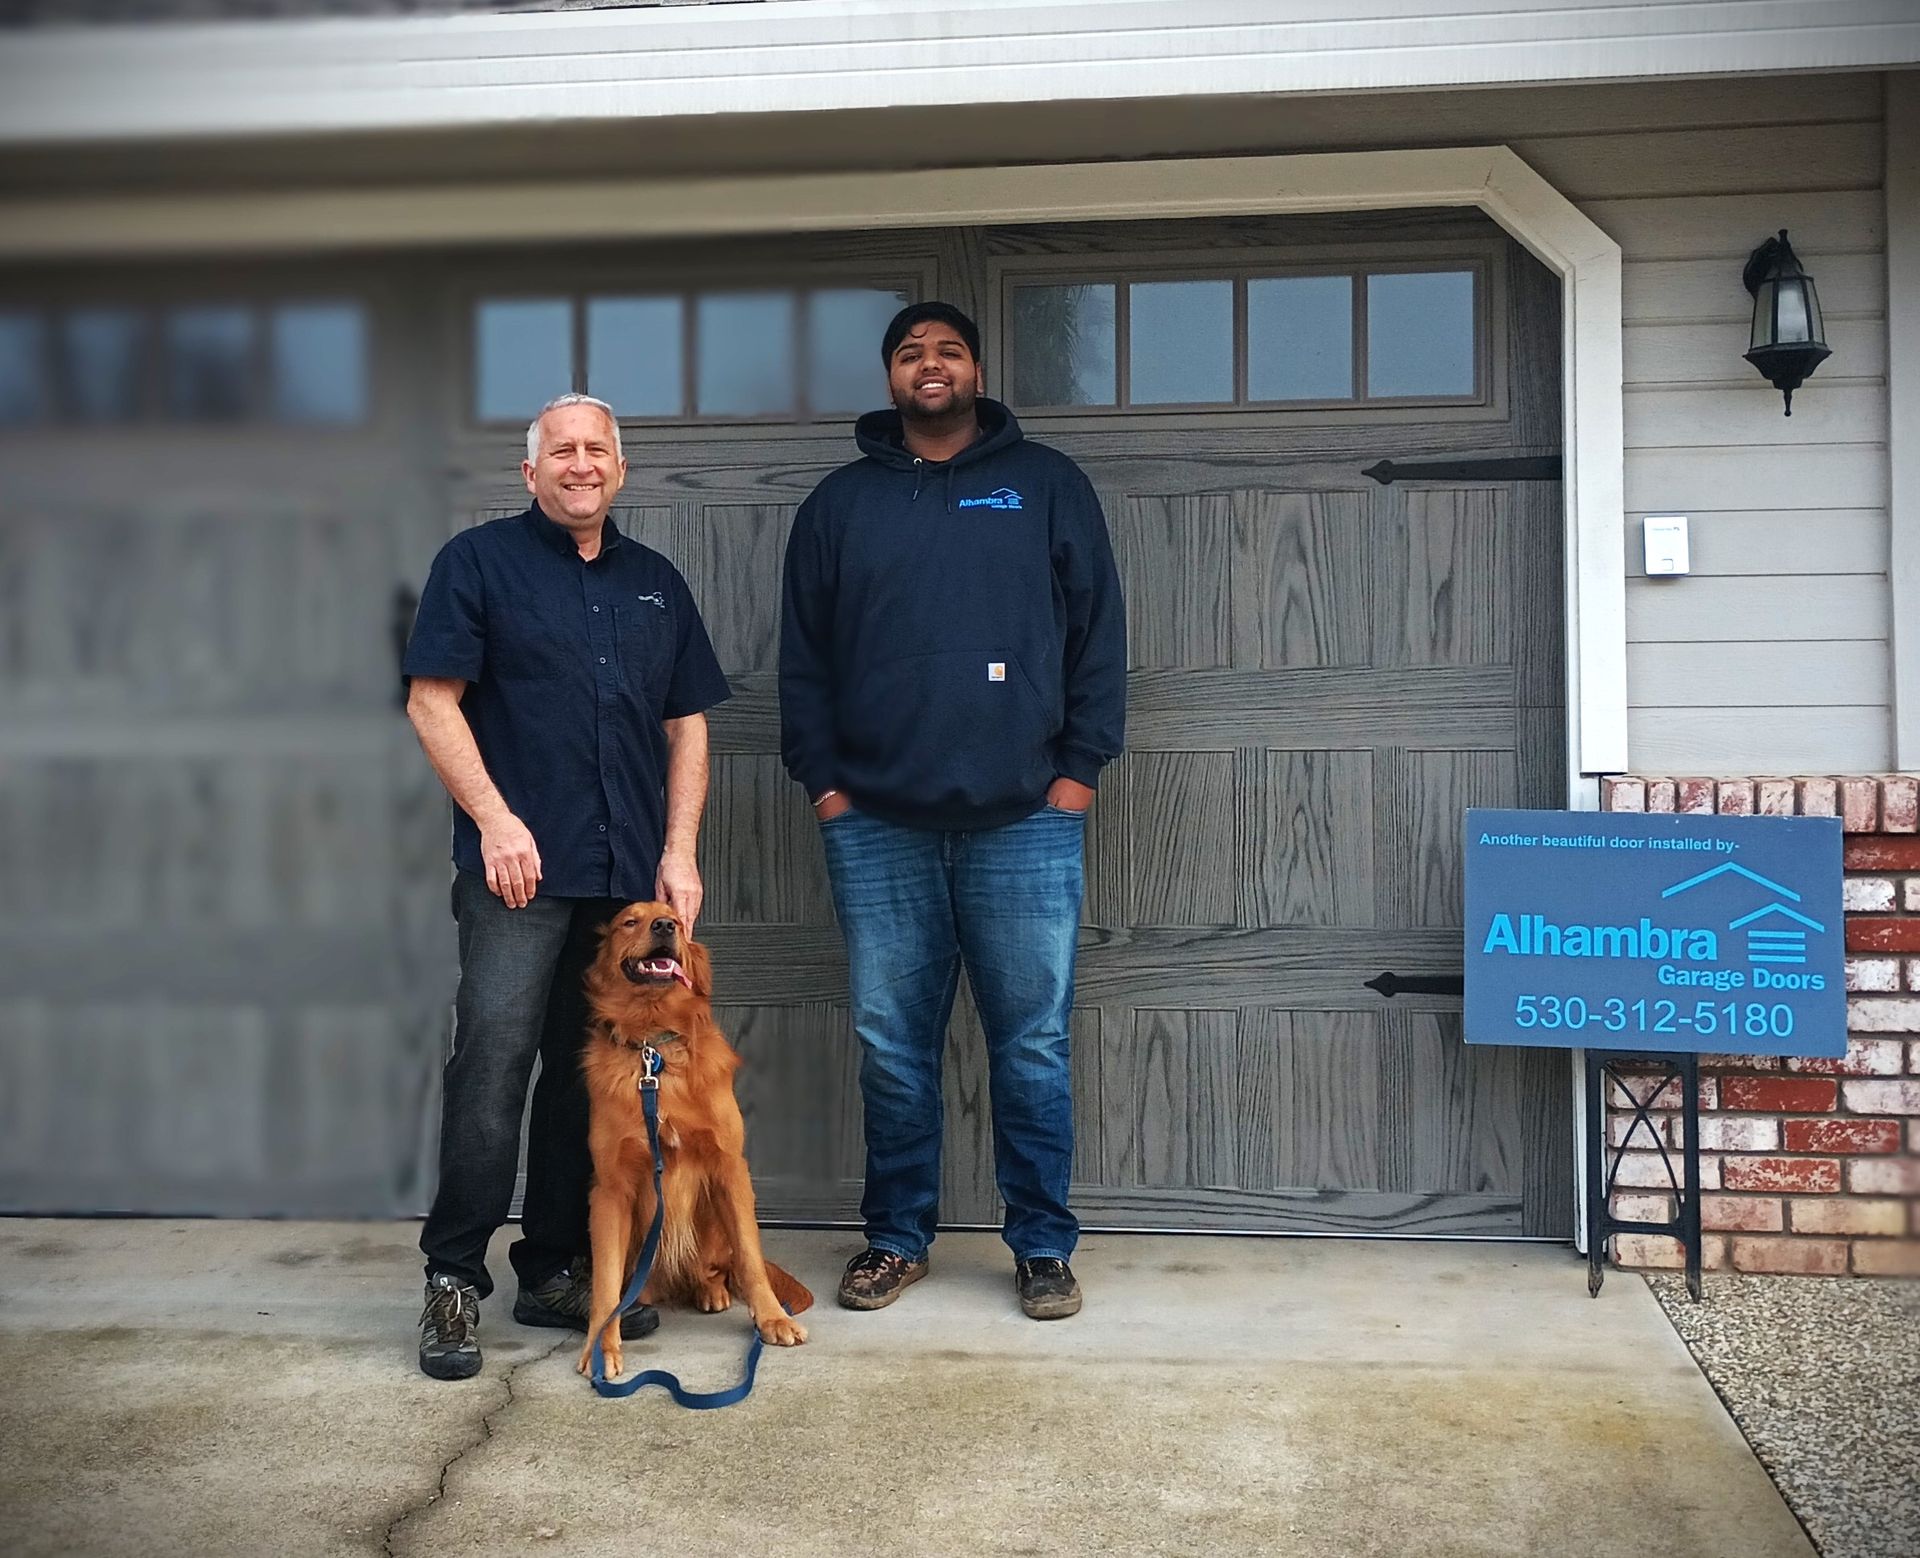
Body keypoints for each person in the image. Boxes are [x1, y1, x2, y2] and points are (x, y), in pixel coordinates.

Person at [779, 301, 1125, 1320]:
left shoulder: (1046, 485)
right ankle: (896, 1237)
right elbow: (804, 659)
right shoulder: (839, 506)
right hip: (877, 822)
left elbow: (1098, 633)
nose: (930, 365)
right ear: (889, 377)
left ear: (976, 367)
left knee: (1031, 1044)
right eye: (909, 353)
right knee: (892, 1044)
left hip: (1026, 818)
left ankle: (1043, 1246)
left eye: (948, 349)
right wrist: (829, 786)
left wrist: (1078, 772)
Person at [403, 392, 730, 1379]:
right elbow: (432, 699)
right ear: (531, 470)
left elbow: (688, 724)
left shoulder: (657, 585)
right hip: (517, 875)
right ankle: (453, 1279)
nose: (581, 464)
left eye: (597, 449)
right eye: (562, 450)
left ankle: (552, 1266)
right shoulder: (478, 565)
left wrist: (678, 853)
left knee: (588, 1076)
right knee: (493, 1065)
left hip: (623, 882)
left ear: (619, 470)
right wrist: (497, 821)